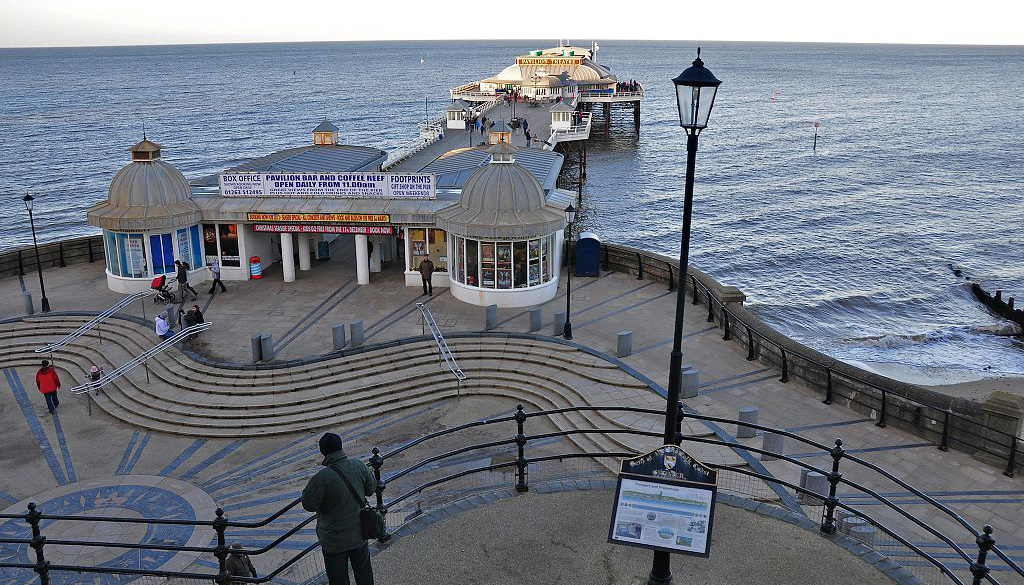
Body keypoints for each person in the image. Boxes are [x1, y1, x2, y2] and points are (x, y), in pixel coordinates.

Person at [302, 433, 376, 585]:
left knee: (338, 579)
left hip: (334, 541)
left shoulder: (321, 478)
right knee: (364, 573)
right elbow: (371, 489)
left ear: (323, 452)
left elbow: (308, 505)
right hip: (359, 533)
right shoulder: (359, 465)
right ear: (340, 447)